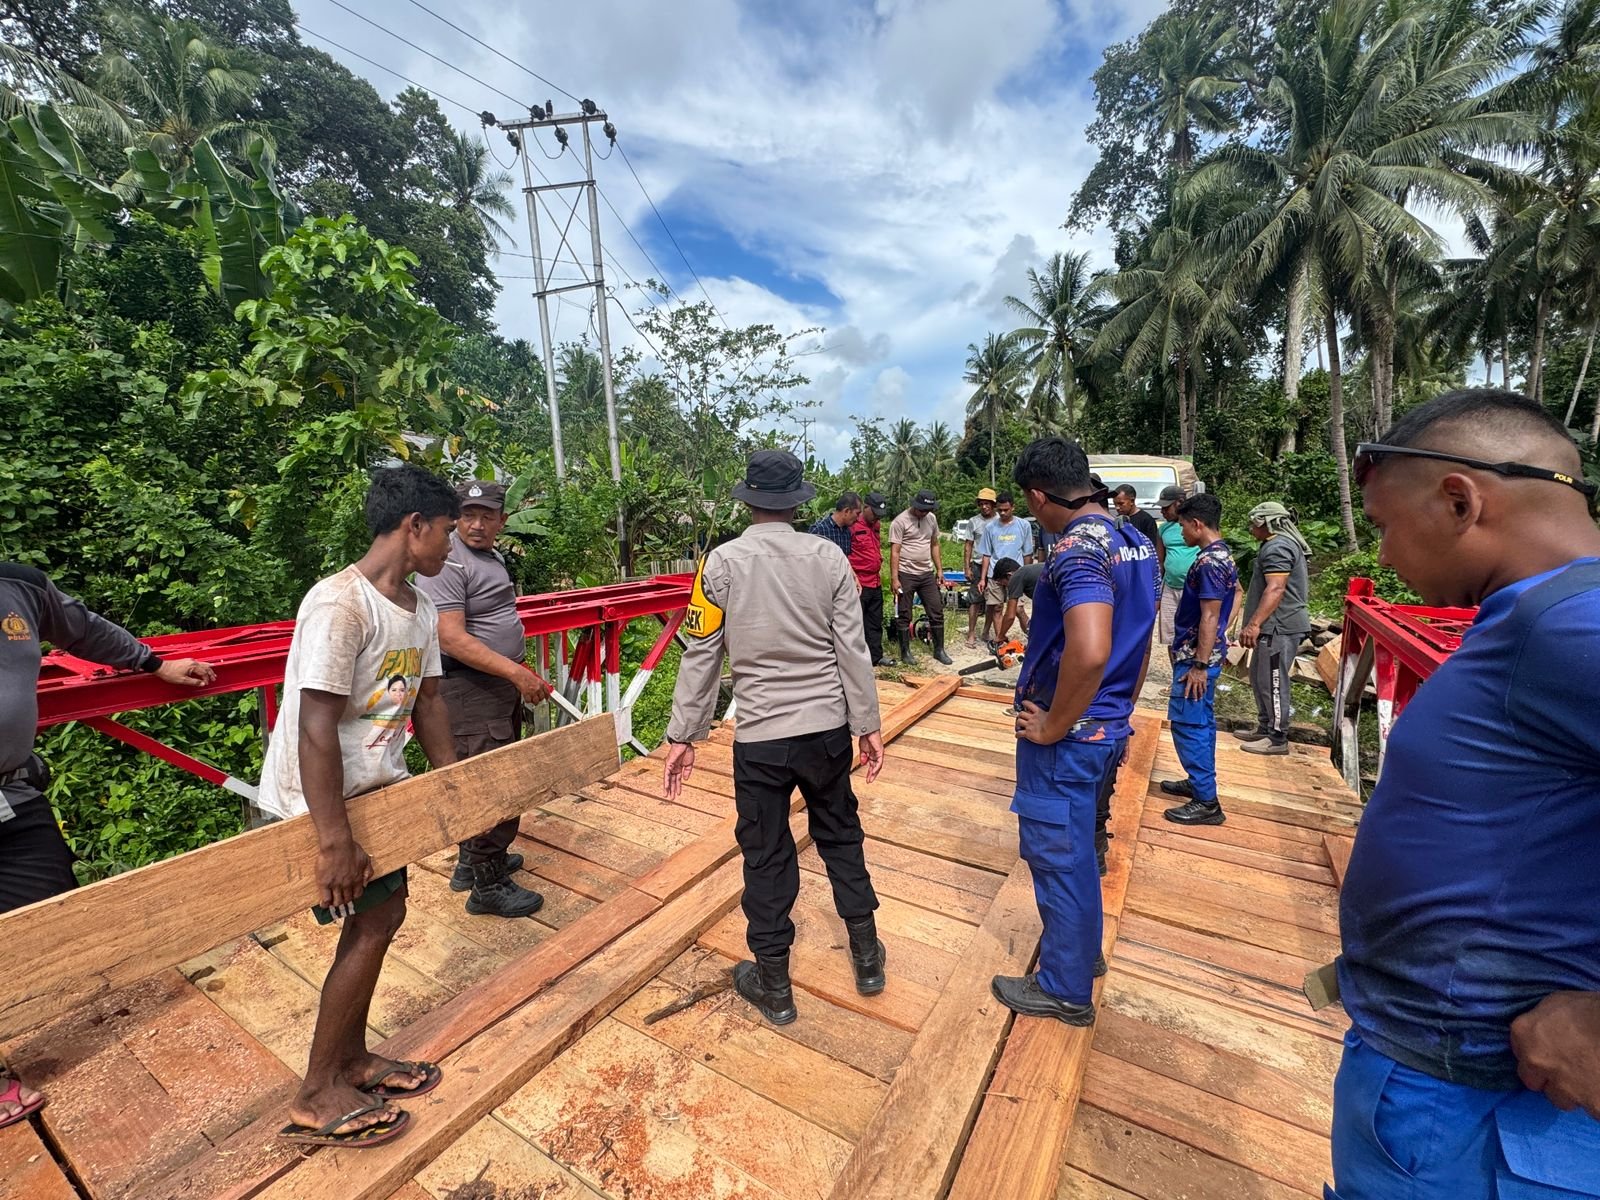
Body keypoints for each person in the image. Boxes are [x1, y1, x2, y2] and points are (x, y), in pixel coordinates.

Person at [1331, 389, 1600, 1199]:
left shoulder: (1568, 627)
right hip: (1445, 1082)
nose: (1382, 555)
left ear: (1460, 501)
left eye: (1383, 524)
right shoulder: (1531, 617)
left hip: (1473, 1111)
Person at [260, 464, 461, 1149]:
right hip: (324, 803)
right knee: (373, 922)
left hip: (376, 792)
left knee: (384, 915)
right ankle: (317, 1093)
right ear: (415, 526)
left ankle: (350, 1062)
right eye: (446, 531)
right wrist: (333, 840)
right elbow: (315, 724)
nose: (450, 546)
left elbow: (428, 703)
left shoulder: (420, 608)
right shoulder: (340, 605)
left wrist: (458, 789)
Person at [663, 449, 886, 1027]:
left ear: (749, 500)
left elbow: (701, 653)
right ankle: (867, 958)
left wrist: (684, 734)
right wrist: (867, 725)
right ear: (796, 502)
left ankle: (775, 985)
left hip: (760, 735)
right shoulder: (829, 558)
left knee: (765, 854)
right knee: (840, 835)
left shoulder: (718, 564)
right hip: (826, 731)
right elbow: (852, 649)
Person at [0, 565, 216, 1129]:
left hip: (11, 790)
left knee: (48, 921)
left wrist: (153, 663)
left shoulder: (18, 585)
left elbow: (82, 628)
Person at [991, 438, 1158, 1026]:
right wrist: (1119, 713)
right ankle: (1082, 955)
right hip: (1106, 727)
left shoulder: (1075, 550)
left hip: (1069, 738)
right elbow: (1141, 644)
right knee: (1081, 851)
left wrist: (1052, 725)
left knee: (1057, 857)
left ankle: (1064, 988)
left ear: (1038, 496)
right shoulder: (1135, 541)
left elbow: (1089, 651)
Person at [413, 480, 549, 917]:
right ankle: (487, 885)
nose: (476, 524)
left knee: (486, 773)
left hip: (491, 686)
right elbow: (450, 637)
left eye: (486, 516)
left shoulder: (487, 556)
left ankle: (470, 865)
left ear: (501, 520)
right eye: (467, 515)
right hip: (470, 687)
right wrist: (516, 672)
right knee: (493, 784)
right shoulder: (448, 561)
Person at [1159, 493, 1238, 827]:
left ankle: (1207, 801)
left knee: (1188, 723)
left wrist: (1199, 665)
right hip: (1203, 652)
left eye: (1182, 526)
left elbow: (1209, 615)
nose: (1181, 533)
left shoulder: (1209, 563)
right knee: (1202, 721)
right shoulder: (1222, 556)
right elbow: (1233, 598)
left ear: (1196, 524)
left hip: (1196, 657)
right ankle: (1199, 783)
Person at [1235, 501, 1312, 756]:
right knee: (1260, 678)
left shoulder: (1279, 547)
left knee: (1273, 681)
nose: (1251, 528)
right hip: (1273, 626)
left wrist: (1254, 623)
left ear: (1267, 522)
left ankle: (1277, 738)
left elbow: (1276, 588)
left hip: (1279, 625)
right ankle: (1265, 727)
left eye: (1254, 523)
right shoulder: (1275, 545)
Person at [889, 489, 951, 665]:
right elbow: (895, 551)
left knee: (936, 610)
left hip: (926, 573)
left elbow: (934, 544)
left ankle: (939, 650)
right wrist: (894, 578)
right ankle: (905, 652)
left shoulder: (931, 519)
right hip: (906, 573)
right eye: (922, 510)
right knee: (904, 613)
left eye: (928, 510)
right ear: (915, 505)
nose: (924, 513)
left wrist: (939, 570)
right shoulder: (900, 521)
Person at [976, 492, 1037, 643]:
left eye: (1006, 510)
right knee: (997, 607)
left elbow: (1027, 553)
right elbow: (986, 554)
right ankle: (1000, 641)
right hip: (995, 574)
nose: (1002, 513)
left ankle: (1033, 638)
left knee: (1018, 609)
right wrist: (983, 578)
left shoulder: (1023, 525)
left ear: (1013, 508)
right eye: (1000, 510)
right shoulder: (990, 527)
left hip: (1016, 574)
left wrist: (1026, 574)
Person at [848, 492, 890, 666]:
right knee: (855, 623)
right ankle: (855, 659)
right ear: (866, 508)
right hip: (858, 583)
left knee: (874, 621)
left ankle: (875, 657)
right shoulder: (852, 525)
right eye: (874, 513)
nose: (876, 518)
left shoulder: (876, 525)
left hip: (875, 581)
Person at [1157, 485, 1197, 650]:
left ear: (1179, 503)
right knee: (1171, 637)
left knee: (1192, 633)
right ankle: (1175, 665)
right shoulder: (1163, 529)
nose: (1162, 512)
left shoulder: (1196, 523)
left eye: (1166, 507)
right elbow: (1160, 561)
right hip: (1170, 588)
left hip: (1193, 588)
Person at [960, 487, 998, 648]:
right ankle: (971, 633)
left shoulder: (999, 520)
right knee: (974, 600)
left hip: (996, 566)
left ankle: (986, 631)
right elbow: (968, 545)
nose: (984, 507)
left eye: (987, 503)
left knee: (993, 601)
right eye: (981, 504)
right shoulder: (973, 522)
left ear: (993, 504)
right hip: (977, 564)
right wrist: (966, 567)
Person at [989, 556, 1042, 643]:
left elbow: (1010, 616)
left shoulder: (1016, 577)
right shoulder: (1028, 571)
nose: (1005, 587)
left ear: (1009, 575)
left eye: (1003, 583)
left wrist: (1000, 636)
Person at [1112, 485, 1165, 566]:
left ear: (1132, 501)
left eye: (1121, 504)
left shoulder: (1146, 520)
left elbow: (1152, 548)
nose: (1117, 508)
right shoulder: (1117, 520)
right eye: (1115, 504)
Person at [807, 492, 862, 557]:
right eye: (857, 513)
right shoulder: (819, 530)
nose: (858, 519)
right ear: (846, 511)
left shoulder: (847, 532)